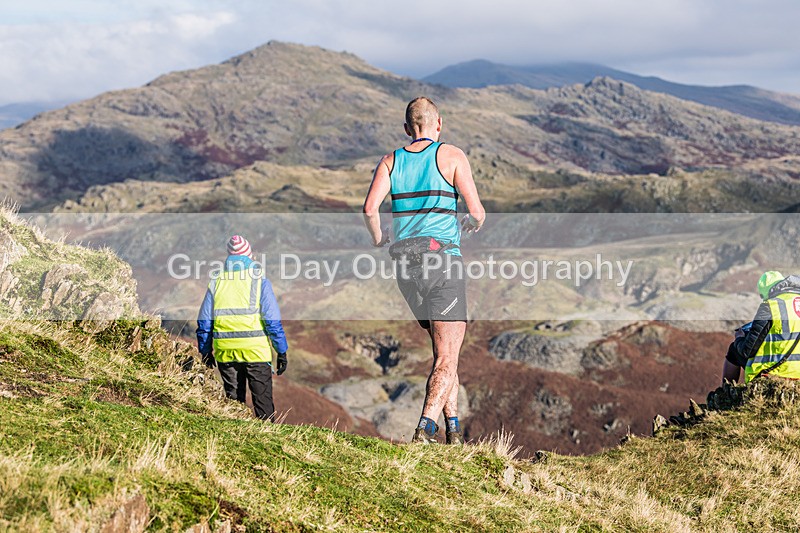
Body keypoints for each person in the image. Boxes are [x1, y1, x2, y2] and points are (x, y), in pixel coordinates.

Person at [362, 96, 486, 444]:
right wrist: (472, 222)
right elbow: (477, 212)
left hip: (405, 268)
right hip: (442, 263)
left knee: (444, 353)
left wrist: (378, 239)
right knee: (447, 355)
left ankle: (454, 429)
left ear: (407, 129)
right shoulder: (451, 155)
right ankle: (425, 429)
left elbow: (370, 209)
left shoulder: (390, 161)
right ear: (439, 124)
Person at [196, 235, 289, 420]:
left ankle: (232, 436)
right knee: (263, 404)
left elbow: (204, 322)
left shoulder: (216, 282)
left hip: (226, 351)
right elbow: (272, 322)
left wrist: (205, 351)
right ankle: (267, 436)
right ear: (250, 256)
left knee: (233, 405)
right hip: (256, 351)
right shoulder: (260, 281)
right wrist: (281, 351)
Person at [724, 271, 800, 384]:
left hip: (777, 371)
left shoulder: (771, 305)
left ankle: (725, 391)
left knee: (734, 350)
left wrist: (739, 338)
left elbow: (747, 351)